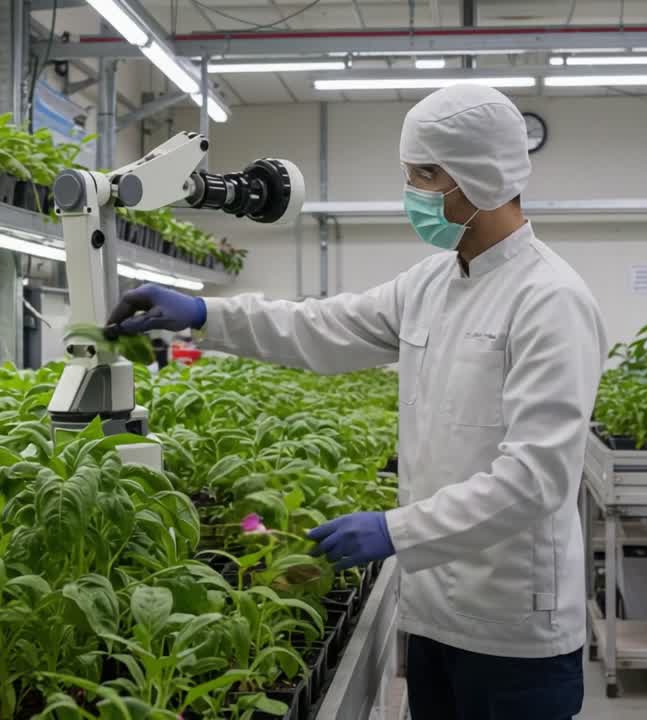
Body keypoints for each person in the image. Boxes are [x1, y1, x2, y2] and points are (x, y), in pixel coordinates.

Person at [107, 84, 606, 720]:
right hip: (434, 613)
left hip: (514, 628)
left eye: (426, 175)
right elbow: (323, 327)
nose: (412, 193)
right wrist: (206, 315)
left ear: (482, 176)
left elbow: (536, 480)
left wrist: (394, 530)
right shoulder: (431, 283)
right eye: (409, 174)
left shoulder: (549, 299)